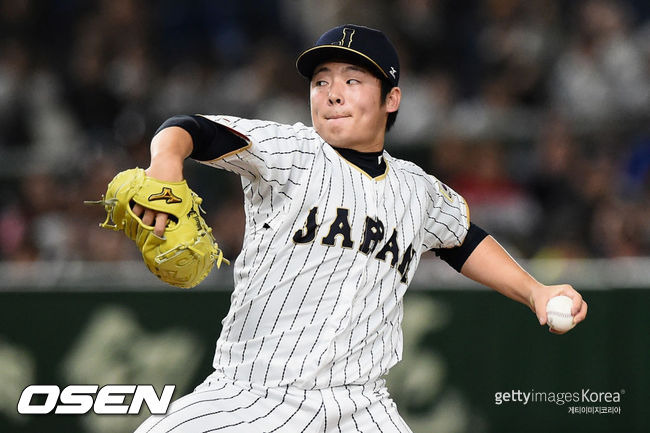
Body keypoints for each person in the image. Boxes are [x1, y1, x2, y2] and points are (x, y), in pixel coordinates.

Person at [132, 24, 587, 433]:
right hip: (253, 395)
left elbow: (463, 240)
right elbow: (188, 128)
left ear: (391, 99)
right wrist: (166, 165)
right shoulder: (292, 150)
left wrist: (534, 291)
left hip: (362, 407)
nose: (332, 93)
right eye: (321, 81)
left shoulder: (417, 189)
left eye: (352, 80)